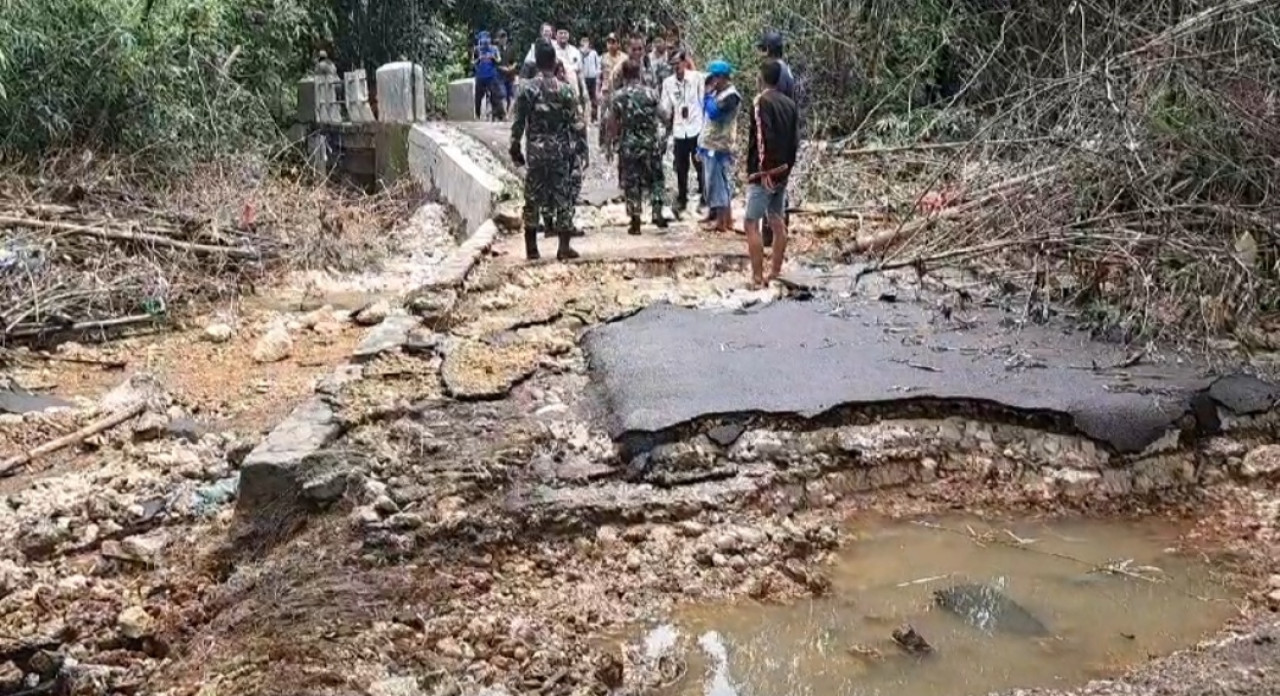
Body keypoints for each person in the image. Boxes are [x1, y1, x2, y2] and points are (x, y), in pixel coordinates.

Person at [511, 39, 587, 261]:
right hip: (560, 153)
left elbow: (518, 123)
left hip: (535, 153)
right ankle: (563, 247)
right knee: (563, 196)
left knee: (533, 197)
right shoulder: (565, 91)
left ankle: (532, 248)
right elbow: (577, 124)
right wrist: (581, 151)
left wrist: (515, 147)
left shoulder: (527, 90)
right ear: (555, 62)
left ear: (537, 62)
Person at [744, 58, 800, 288]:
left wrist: (764, 170)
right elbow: (794, 141)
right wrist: (785, 169)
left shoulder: (760, 102)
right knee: (777, 221)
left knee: (751, 222)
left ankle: (757, 277)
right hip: (783, 172)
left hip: (764, 174)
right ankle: (775, 272)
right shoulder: (790, 104)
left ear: (761, 78)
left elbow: (762, 138)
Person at [606, 60, 670, 235]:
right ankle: (657, 212)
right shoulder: (651, 94)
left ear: (624, 75)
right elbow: (665, 116)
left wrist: (610, 145)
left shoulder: (618, 96)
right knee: (656, 178)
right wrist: (664, 136)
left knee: (632, 182)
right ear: (640, 73)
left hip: (629, 144)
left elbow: (611, 123)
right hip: (651, 143)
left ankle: (635, 220)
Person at [698, 60, 742, 234]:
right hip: (711, 144)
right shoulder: (720, 94)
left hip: (719, 145)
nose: (712, 82)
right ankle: (724, 219)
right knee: (717, 183)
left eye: (714, 78)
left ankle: (722, 222)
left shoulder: (731, 96)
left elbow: (714, 114)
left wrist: (708, 95)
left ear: (722, 77)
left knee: (718, 184)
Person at [661, 51, 705, 216]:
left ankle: (704, 196)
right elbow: (666, 106)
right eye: (672, 65)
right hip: (679, 128)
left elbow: (704, 95)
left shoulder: (696, 78)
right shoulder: (668, 83)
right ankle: (682, 197)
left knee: (700, 164)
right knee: (681, 166)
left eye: (677, 64)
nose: (676, 68)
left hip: (696, 126)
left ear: (684, 62)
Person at [472, 31, 505, 120]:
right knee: (478, 97)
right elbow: (473, 62)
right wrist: (479, 59)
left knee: (496, 96)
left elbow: (499, 60)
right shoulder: (477, 50)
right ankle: (477, 115)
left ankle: (499, 115)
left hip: (491, 76)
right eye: (483, 42)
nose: (485, 43)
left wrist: (493, 58)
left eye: (487, 40)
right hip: (480, 76)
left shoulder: (494, 49)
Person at [495, 30, 517, 115]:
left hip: (510, 75)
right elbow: (495, 64)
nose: (503, 39)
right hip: (500, 76)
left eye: (504, 37)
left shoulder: (511, 48)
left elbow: (515, 61)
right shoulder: (496, 50)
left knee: (511, 95)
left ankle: (508, 114)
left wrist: (512, 67)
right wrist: (503, 68)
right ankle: (505, 114)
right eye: (501, 37)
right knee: (503, 95)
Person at [580, 37, 602, 122]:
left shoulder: (593, 53)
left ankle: (594, 117)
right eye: (583, 42)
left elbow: (598, 64)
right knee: (583, 98)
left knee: (594, 99)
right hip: (584, 77)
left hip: (593, 78)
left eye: (586, 42)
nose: (585, 44)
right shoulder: (579, 53)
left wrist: (597, 74)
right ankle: (583, 117)